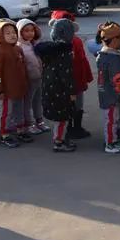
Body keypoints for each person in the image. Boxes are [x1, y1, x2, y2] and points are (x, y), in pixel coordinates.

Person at [34, 19, 78, 152]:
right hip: (61, 91)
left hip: (50, 88)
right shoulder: (64, 53)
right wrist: (72, 92)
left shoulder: (49, 49)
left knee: (59, 117)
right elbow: (67, 75)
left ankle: (61, 138)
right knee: (61, 118)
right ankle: (58, 142)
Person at [49, 11, 94, 139]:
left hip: (75, 80)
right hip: (69, 82)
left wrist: (86, 77)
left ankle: (75, 127)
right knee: (72, 105)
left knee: (76, 104)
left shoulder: (74, 41)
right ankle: (71, 129)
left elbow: (82, 60)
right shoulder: (64, 44)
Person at [0, 20, 30, 147]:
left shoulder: (18, 49)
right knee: (7, 112)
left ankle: (20, 129)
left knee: (19, 110)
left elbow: (24, 68)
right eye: (7, 33)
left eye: (13, 32)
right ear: (0, 36)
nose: (12, 35)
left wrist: (25, 82)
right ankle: (4, 133)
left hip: (20, 88)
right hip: (7, 91)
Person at [96, 22, 120, 154]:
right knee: (111, 120)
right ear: (114, 40)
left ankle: (112, 138)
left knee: (112, 119)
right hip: (112, 96)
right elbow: (117, 80)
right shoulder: (114, 59)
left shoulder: (103, 55)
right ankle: (110, 143)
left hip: (105, 93)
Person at [16, 19, 49, 136]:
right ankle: (28, 124)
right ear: (20, 32)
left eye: (32, 30)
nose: (30, 33)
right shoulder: (19, 47)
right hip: (28, 80)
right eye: (26, 31)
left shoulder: (34, 44)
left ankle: (39, 121)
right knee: (27, 103)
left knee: (38, 101)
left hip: (38, 78)